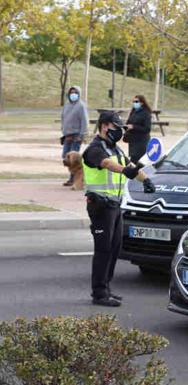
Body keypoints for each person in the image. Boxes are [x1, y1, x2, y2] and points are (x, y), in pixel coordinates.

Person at [82, 111, 156, 307]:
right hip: (100, 205)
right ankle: (99, 293)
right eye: (117, 127)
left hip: (115, 206)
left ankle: (106, 287)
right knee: (103, 249)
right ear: (105, 126)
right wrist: (125, 170)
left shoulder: (117, 150)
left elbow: (130, 166)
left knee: (114, 248)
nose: (120, 131)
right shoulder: (95, 149)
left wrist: (146, 179)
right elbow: (107, 164)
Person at [61, 86, 88, 186]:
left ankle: (74, 178)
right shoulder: (66, 105)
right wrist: (63, 132)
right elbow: (63, 118)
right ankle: (73, 176)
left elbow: (84, 121)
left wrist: (82, 135)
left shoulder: (81, 106)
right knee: (65, 156)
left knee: (74, 159)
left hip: (76, 136)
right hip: (67, 135)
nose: (73, 94)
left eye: (75, 93)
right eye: (71, 93)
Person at [124, 95, 152, 164]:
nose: (134, 103)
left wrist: (134, 127)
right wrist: (126, 126)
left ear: (142, 102)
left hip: (141, 142)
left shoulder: (146, 113)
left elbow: (147, 129)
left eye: (136, 101)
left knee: (139, 161)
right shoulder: (133, 111)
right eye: (133, 101)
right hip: (132, 141)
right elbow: (129, 122)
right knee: (133, 160)